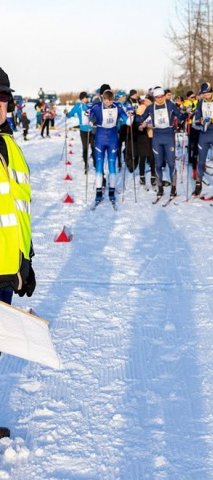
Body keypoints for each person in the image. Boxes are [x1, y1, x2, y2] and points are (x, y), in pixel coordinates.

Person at [0, 67, 36, 439]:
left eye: (4, 98)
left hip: (8, 267)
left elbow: (19, 207)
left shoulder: (10, 146)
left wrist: (27, 257)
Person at [136, 86, 186, 198]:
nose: (159, 99)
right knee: (158, 164)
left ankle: (173, 189)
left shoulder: (170, 104)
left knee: (171, 163)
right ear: (154, 97)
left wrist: (185, 114)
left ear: (164, 96)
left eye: (161, 96)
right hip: (157, 137)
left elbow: (180, 116)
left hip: (169, 137)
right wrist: (134, 116)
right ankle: (160, 188)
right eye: (157, 97)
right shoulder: (150, 108)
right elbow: (140, 119)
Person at [88, 89, 130, 205]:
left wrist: (129, 118)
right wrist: (90, 118)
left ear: (113, 99)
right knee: (99, 166)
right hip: (100, 139)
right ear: (103, 99)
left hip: (112, 139)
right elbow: (90, 117)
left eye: (110, 100)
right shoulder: (97, 107)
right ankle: (98, 192)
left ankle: (111, 191)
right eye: (106, 100)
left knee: (112, 164)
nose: (108, 103)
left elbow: (127, 120)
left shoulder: (117, 107)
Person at [65, 91, 94, 173]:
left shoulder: (90, 106)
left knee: (93, 147)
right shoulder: (78, 106)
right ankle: (86, 164)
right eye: (85, 98)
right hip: (83, 131)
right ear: (81, 98)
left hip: (92, 130)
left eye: (87, 97)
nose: (86, 99)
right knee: (85, 148)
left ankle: (95, 163)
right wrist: (67, 114)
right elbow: (71, 114)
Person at [136, 95, 156, 188]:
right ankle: (142, 175)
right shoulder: (141, 107)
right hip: (142, 135)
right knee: (142, 156)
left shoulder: (154, 108)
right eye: (145, 100)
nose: (146, 102)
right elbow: (137, 120)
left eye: (148, 101)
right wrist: (140, 124)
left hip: (152, 135)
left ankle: (153, 175)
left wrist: (148, 124)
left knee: (152, 157)